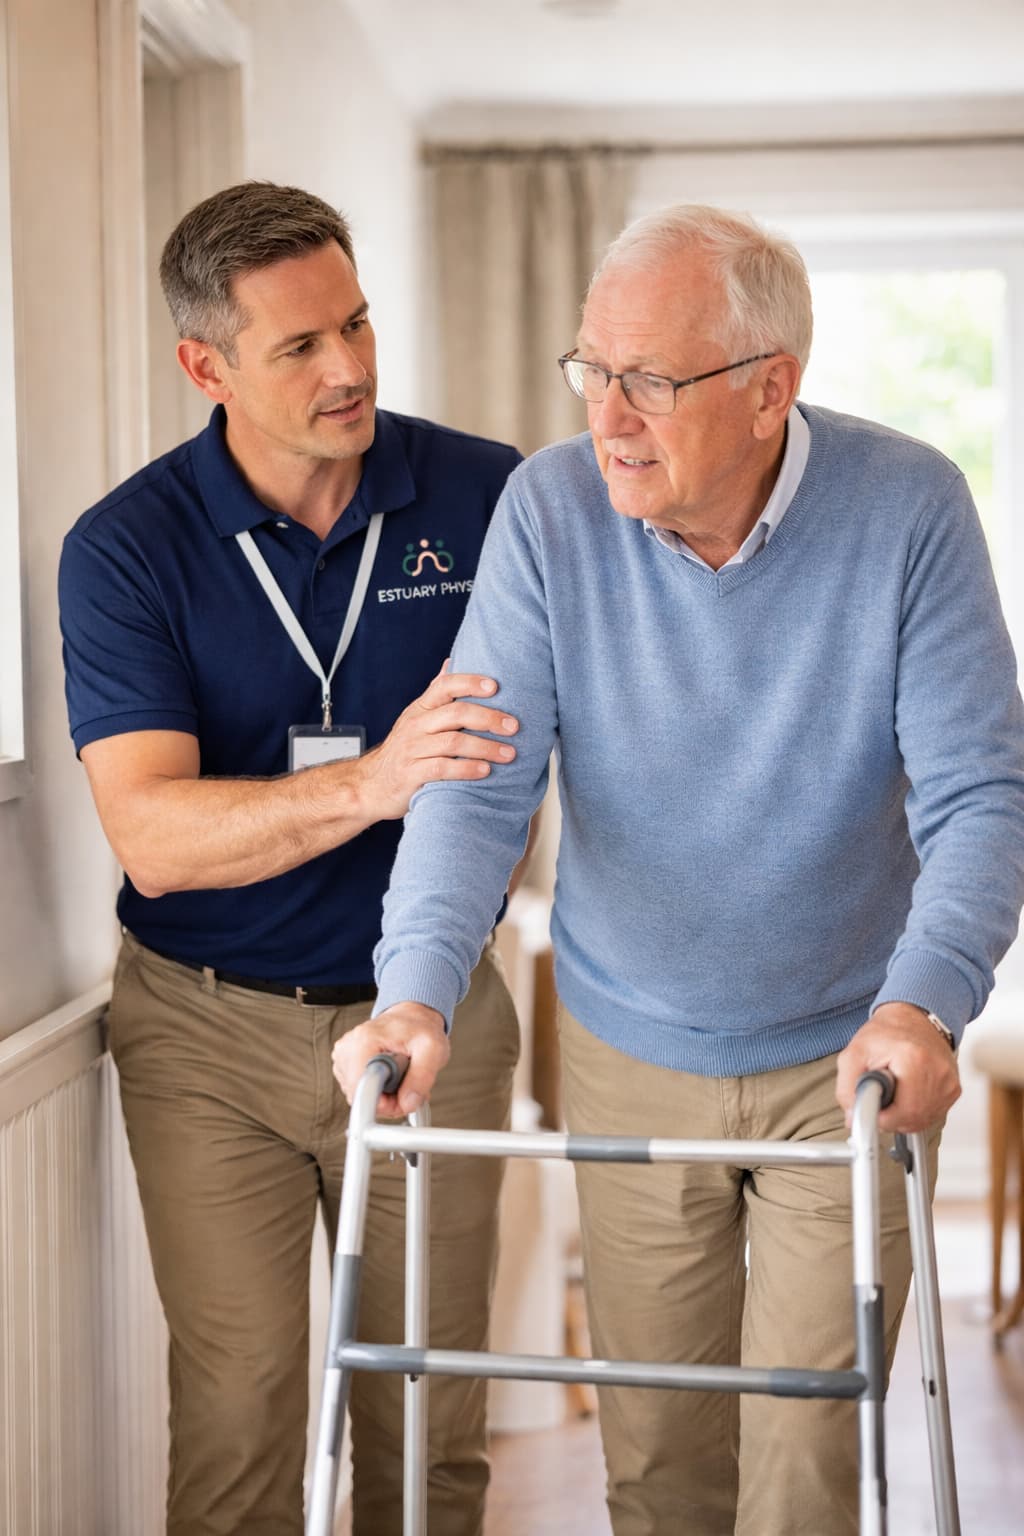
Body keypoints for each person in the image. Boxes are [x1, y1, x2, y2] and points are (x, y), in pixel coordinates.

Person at [333, 203, 1024, 1535]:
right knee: (656, 1465)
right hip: (626, 1032)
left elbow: (982, 797)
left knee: (807, 1465)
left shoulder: (911, 509)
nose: (610, 414)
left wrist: (923, 1003)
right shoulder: (549, 512)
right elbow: (479, 786)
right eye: (593, 369)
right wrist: (415, 991)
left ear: (772, 390)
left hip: (846, 1058)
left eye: (650, 379)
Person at [58, 181, 525, 1536]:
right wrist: (383, 777)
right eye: (302, 347)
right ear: (206, 365)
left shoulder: (487, 494)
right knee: (243, 1415)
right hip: (209, 1035)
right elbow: (154, 838)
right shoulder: (127, 549)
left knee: (429, 1422)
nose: (353, 368)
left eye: (359, 325)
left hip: (430, 1017)